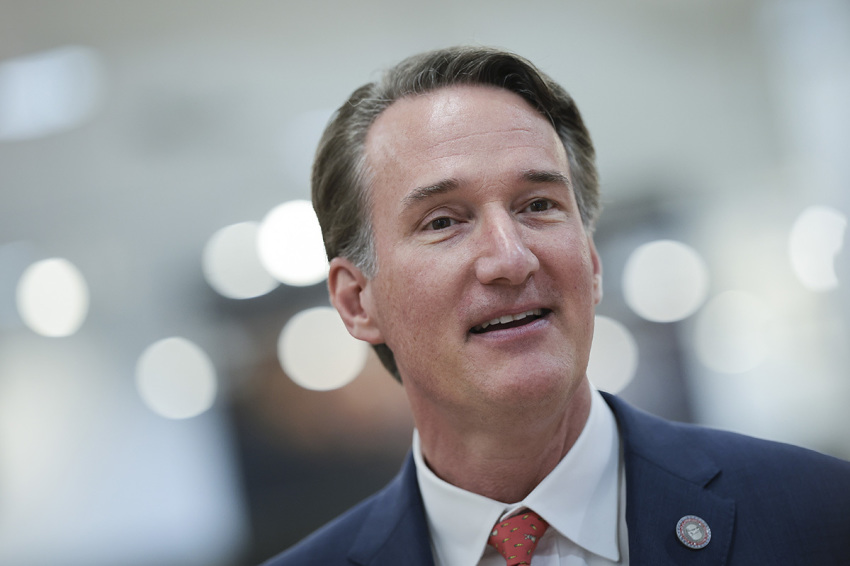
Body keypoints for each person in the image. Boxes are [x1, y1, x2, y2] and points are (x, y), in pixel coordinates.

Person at [262, 46, 850, 565]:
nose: (511, 259)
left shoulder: (821, 513)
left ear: (591, 262)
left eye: (537, 205)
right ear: (356, 301)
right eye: (443, 221)